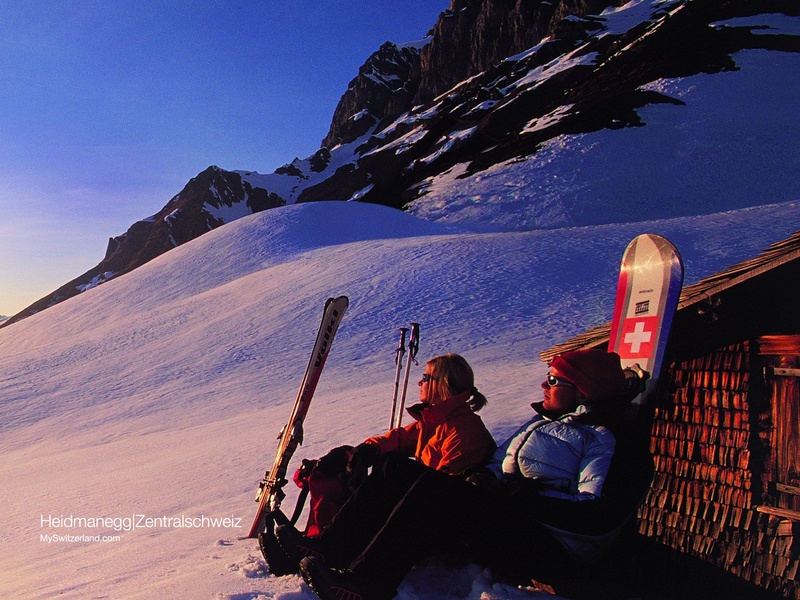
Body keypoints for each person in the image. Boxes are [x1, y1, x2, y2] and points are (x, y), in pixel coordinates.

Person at [291, 349, 652, 600]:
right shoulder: (542, 424)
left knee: (431, 489)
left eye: (555, 380)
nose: (544, 385)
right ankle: (329, 549)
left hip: (548, 545)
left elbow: (597, 516)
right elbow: (496, 465)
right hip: (511, 519)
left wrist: (522, 498)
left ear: (583, 391)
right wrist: (486, 479)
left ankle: (367, 586)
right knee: (395, 466)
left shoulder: (607, 440)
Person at [259, 353, 497, 576]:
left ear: (442, 383)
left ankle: (333, 553)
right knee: (379, 464)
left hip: (438, 526)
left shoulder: (463, 430)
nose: (419, 383)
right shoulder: (436, 422)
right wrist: (366, 451)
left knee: (389, 476)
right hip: (423, 512)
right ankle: (313, 552)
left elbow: (440, 490)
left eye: (425, 377)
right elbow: (397, 439)